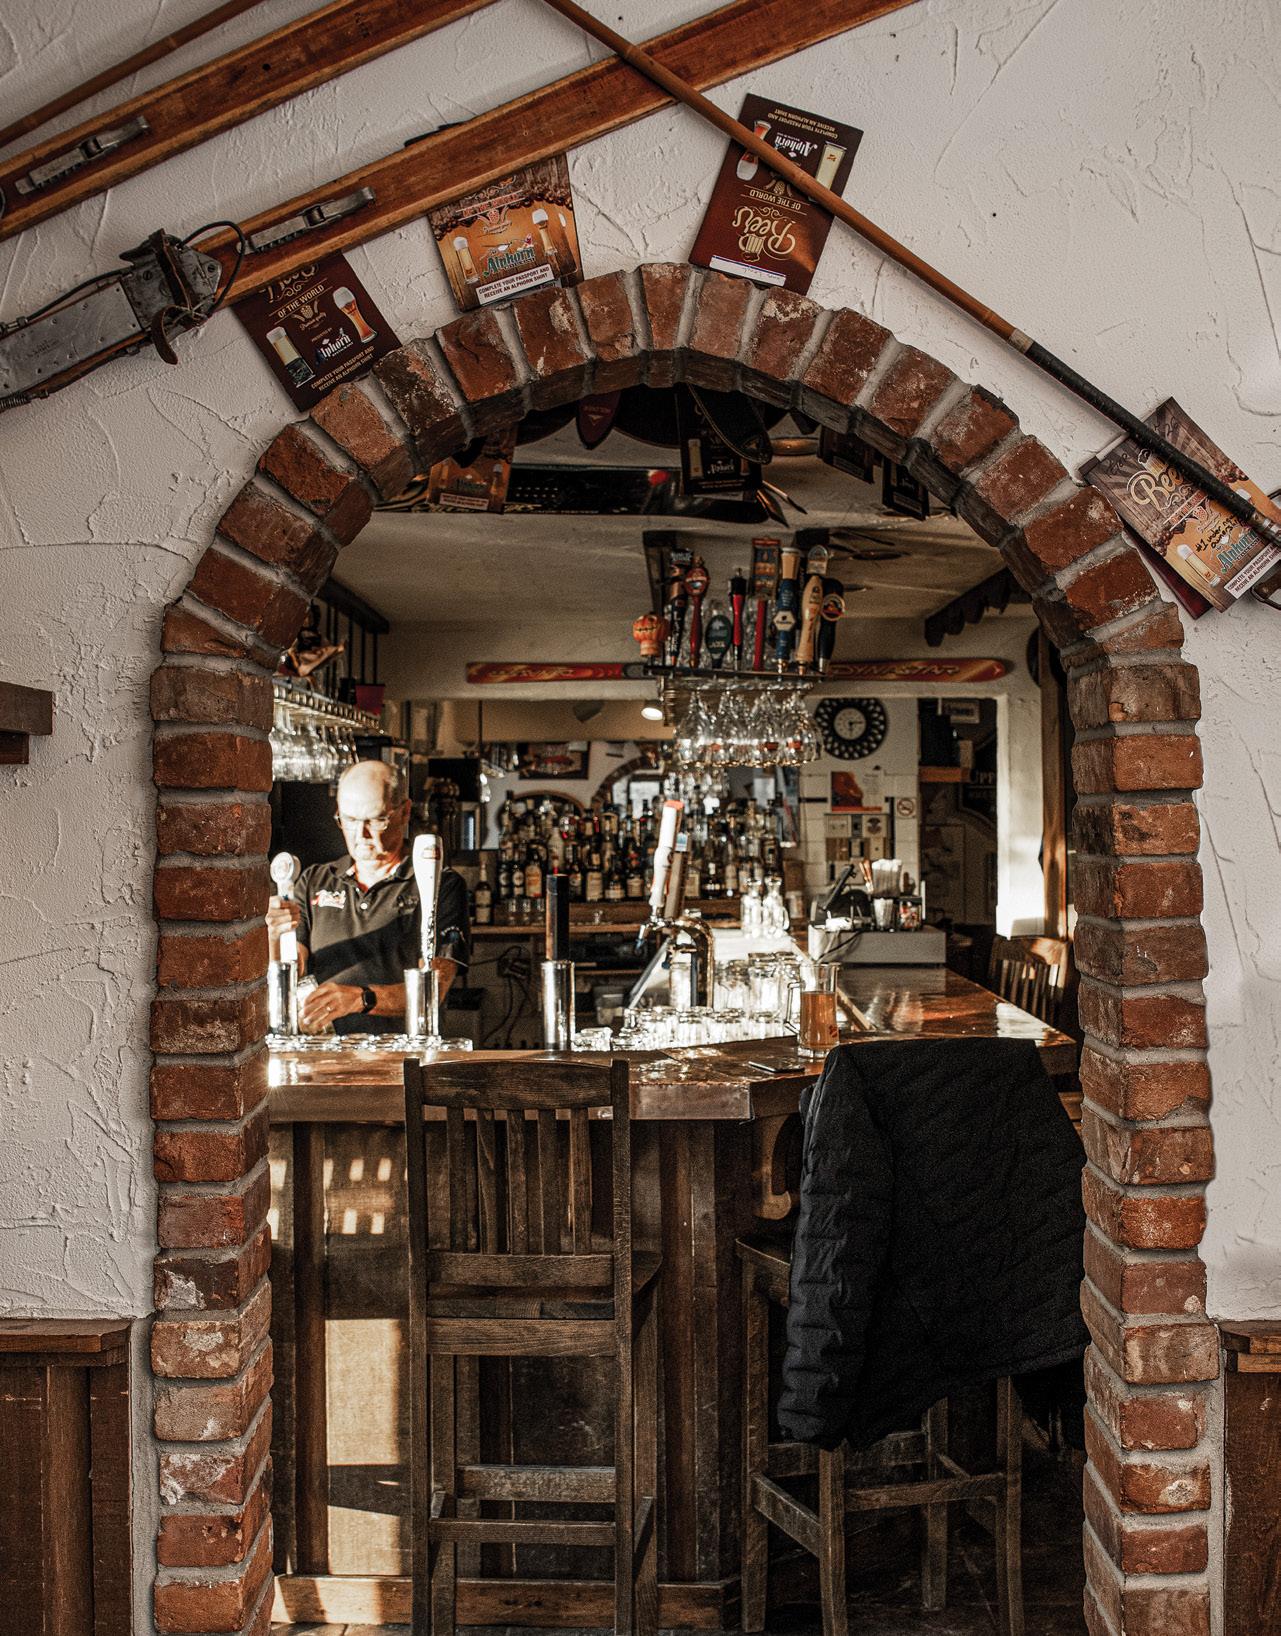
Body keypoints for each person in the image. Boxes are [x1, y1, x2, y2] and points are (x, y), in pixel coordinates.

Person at [266, 760, 469, 1034]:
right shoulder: (314, 881)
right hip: (326, 1050)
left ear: (405, 812)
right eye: (349, 820)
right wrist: (273, 936)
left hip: (403, 1051)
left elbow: (434, 989)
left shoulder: (438, 884)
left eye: (375, 820)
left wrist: (361, 999)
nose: (360, 835)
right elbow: (293, 970)